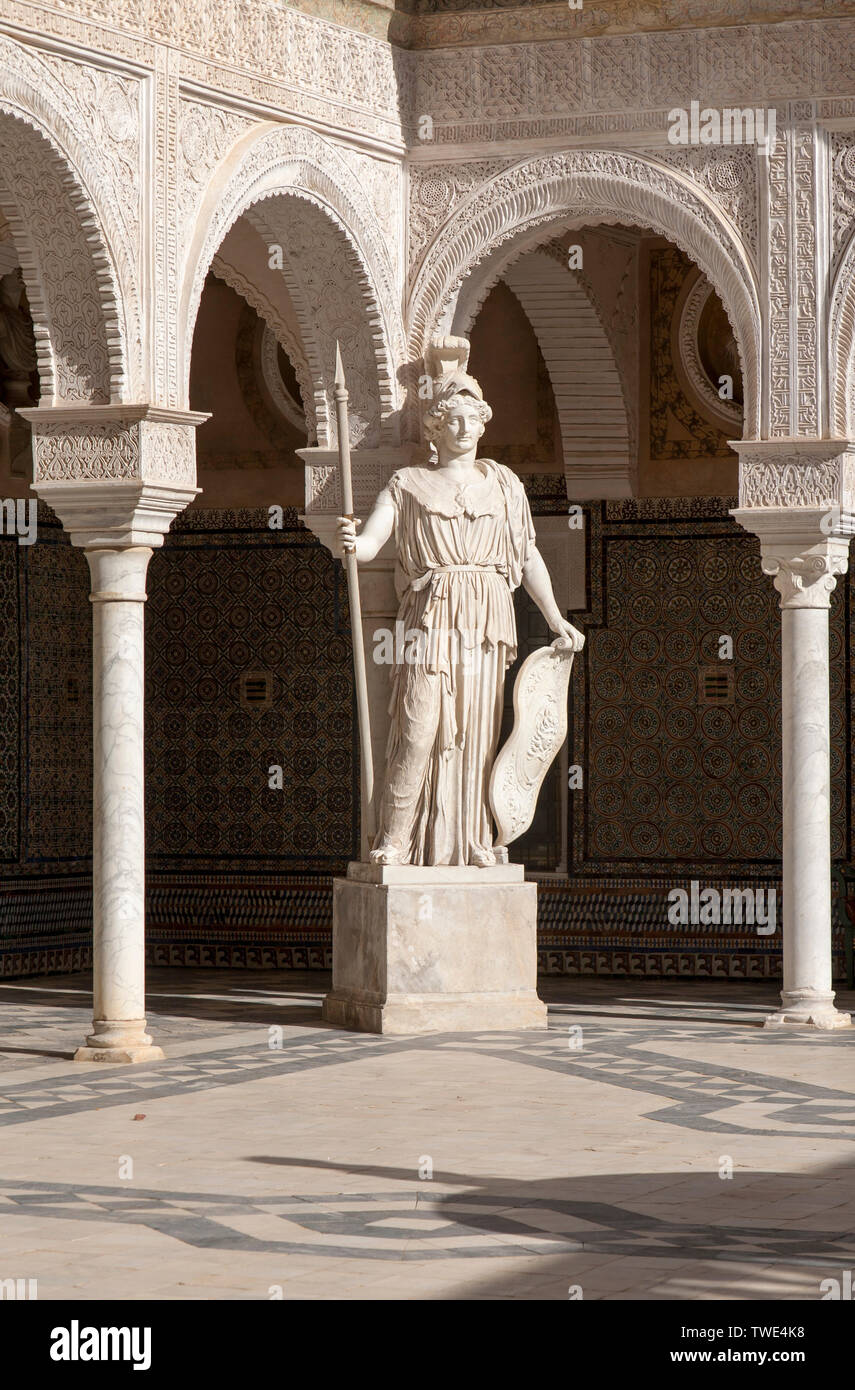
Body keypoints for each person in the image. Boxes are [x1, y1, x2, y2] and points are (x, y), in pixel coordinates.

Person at [337, 373, 584, 867]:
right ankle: (395, 839)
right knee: (418, 726)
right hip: (433, 613)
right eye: (453, 418)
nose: (465, 427)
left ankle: (471, 839)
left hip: (488, 614)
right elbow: (372, 540)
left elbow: (528, 556)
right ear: (434, 429)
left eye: (473, 418)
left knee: (476, 732)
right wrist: (355, 545)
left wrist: (557, 619)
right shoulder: (408, 483)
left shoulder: (505, 485)